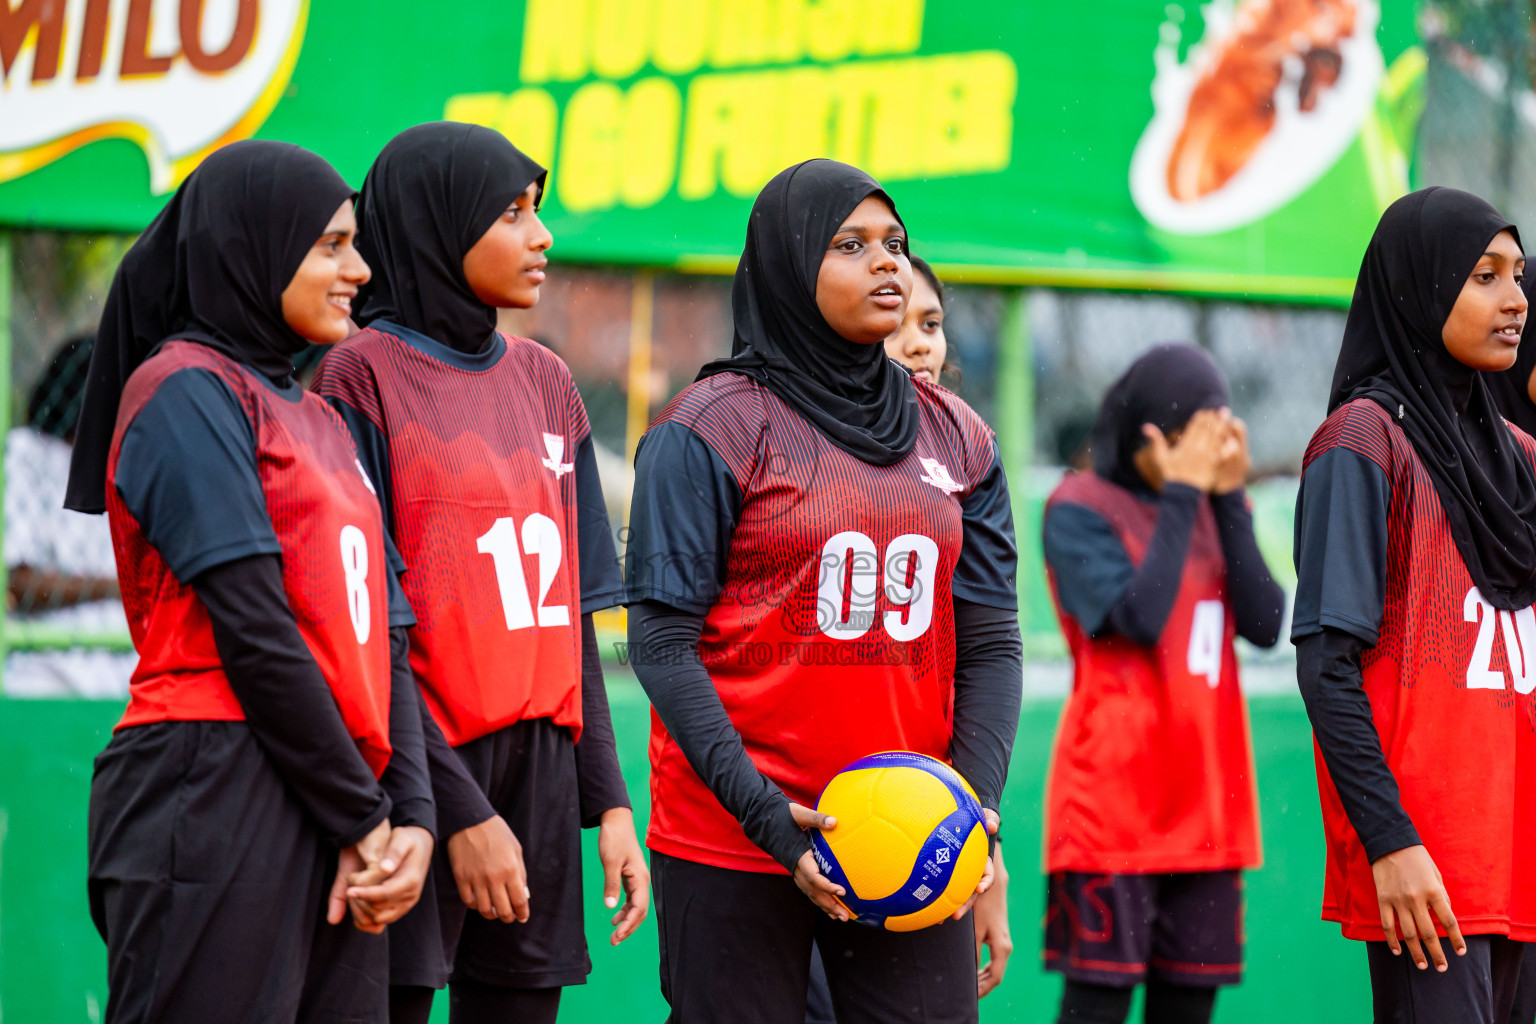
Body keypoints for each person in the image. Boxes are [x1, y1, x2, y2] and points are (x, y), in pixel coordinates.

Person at [624, 158, 1022, 1024]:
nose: (887, 264)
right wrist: (769, 819)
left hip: (912, 836)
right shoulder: (712, 426)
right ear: (787, 265)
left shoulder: (961, 436)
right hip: (734, 836)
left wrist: (975, 811)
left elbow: (991, 641)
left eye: (896, 244)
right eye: (851, 245)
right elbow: (658, 643)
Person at [65, 140, 436, 1023]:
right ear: (254, 247)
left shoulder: (320, 418)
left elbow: (385, 632)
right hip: (213, 781)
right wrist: (362, 817)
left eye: (356, 243)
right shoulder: (183, 389)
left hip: (334, 794)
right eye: (331, 246)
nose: (360, 269)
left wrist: (409, 814)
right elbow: (256, 631)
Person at [311, 122, 647, 1024]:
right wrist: (455, 811)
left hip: (541, 767)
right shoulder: (357, 377)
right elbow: (368, 620)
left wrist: (609, 802)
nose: (541, 237)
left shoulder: (547, 380)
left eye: (539, 211)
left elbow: (567, 615)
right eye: (511, 213)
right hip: (420, 763)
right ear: (434, 223)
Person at [1294, 186, 1536, 1022]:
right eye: (1484, 276)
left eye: (1517, 276)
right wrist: (1390, 842)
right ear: (1420, 287)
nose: (1516, 300)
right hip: (1427, 874)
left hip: (1522, 859)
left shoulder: (1524, 458)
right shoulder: (1362, 441)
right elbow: (1327, 665)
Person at [1041, 343, 1281, 1024]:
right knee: (1098, 1006)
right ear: (1150, 437)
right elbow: (1139, 619)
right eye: (1190, 448)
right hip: (1112, 810)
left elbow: (1265, 623)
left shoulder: (1209, 506)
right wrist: (1182, 492)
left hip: (1206, 809)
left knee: (1187, 1009)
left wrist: (1229, 496)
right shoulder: (1078, 505)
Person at [804, 253, 1011, 1024]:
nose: (922, 343)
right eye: (900, 323)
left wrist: (982, 843)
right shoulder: (770, 446)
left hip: (917, 828)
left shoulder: (961, 459)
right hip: (788, 824)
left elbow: (989, 652)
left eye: (932, 323)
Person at [5, 334, 136, 697]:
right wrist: (111, 589)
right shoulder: (27, 453)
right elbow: (18, 581)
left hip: (123, 669)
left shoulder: (125, 466)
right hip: (47, 668)